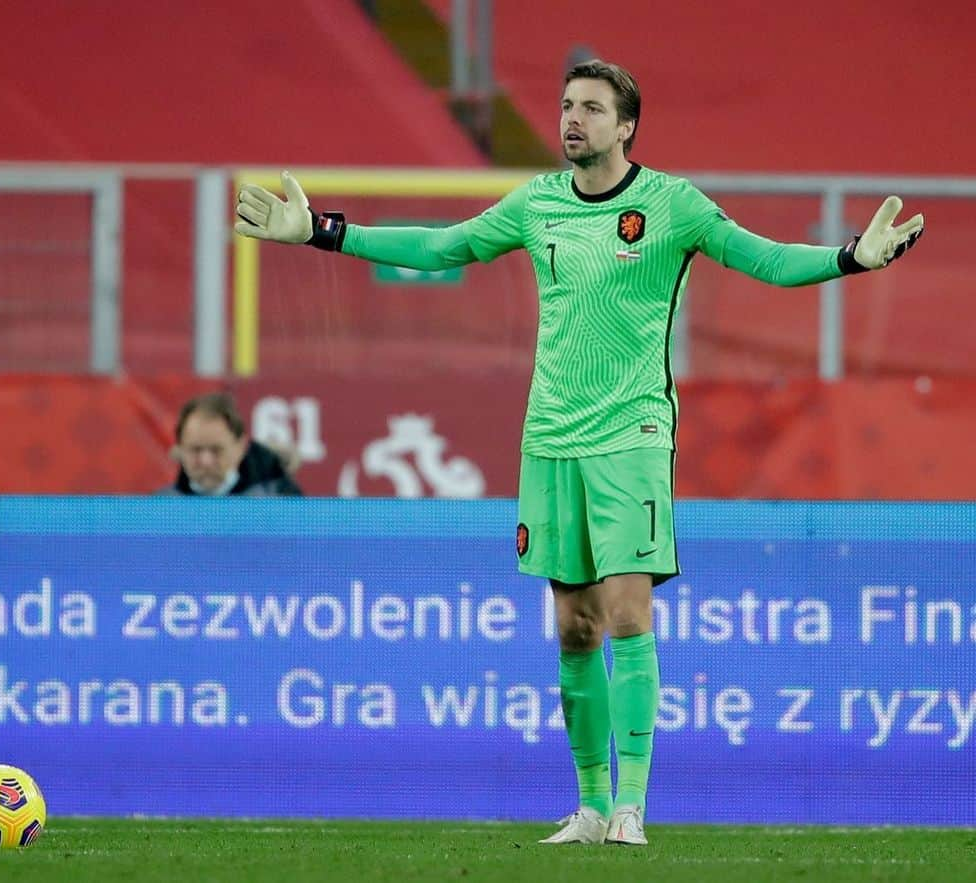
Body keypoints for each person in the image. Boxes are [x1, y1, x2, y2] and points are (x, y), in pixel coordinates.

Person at [233, 60, 923, 844]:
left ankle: (632, 802)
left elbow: (762, 259)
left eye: (592, 108)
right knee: (573, 629)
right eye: (566, 106)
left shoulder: (673, 205)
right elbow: (442, 245)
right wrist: (326, 230)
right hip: (550, 438)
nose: (574, 119)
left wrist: (849, 258)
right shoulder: (537, 204)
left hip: (632, 434)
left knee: (628, 612)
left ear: (626, 126)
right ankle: (591, 807)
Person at [160, 392, 302, 497]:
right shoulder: (160, 510)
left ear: (240, 447)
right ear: (180, 449)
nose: (206, 461)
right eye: (195, 450)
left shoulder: (282, 503)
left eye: (216, 450)